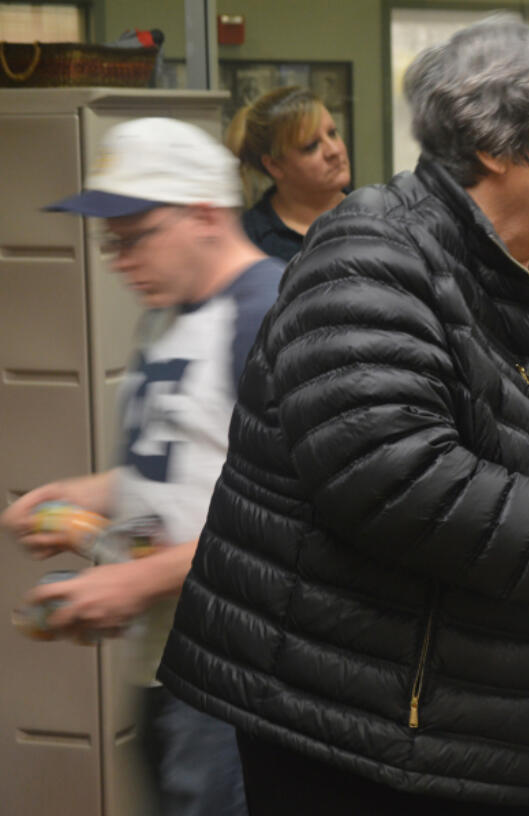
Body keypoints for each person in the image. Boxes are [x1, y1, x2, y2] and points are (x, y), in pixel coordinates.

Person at [157, 17, 529, 815]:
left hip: (477, 721)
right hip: (354, 728)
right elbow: (386, 469)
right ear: (493, 143)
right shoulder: (371, 251)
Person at [1, 118, 285, 813]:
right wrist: (87, 495)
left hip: (240, 674)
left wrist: (135, 582)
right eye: (111, 241)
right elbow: (185, 467)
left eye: (135, 236)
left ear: (205, 215)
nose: (118, 259)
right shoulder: (166, 313)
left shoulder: (267, 315)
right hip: (166, 662)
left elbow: (286, 519)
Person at [227, 85, 351, 261]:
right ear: (274, 165)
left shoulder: (377, 216)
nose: (334, 150)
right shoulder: (249, 243)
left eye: (332, 133)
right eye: (311, 146)